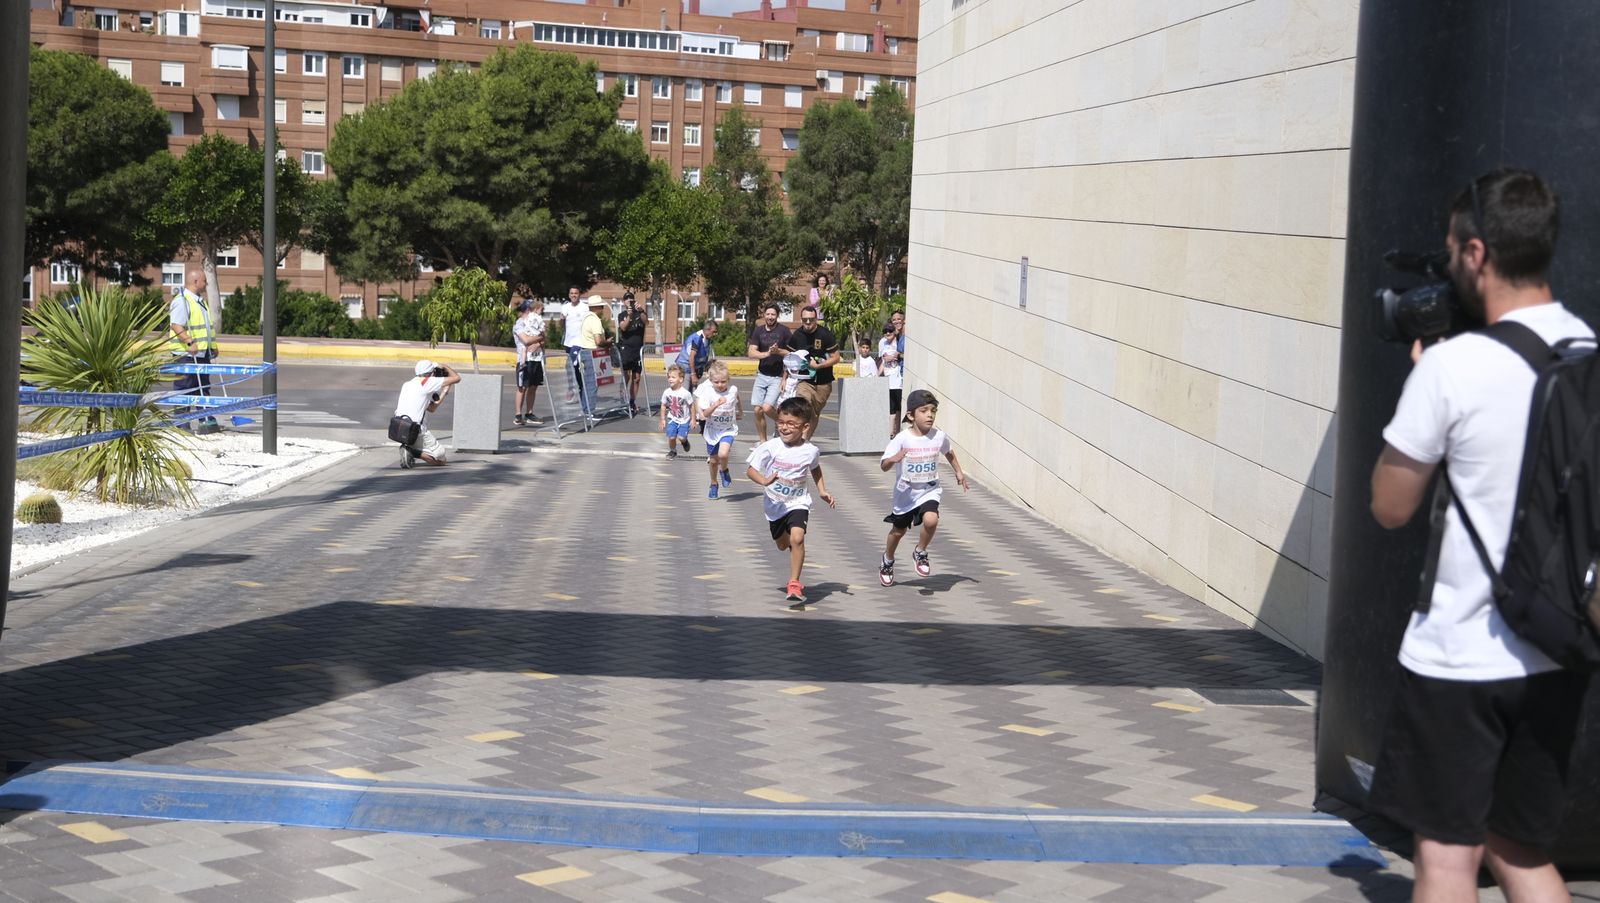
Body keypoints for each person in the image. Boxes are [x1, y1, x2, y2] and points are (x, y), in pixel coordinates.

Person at [1367, 168, 1591, 902]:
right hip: (1557, 646)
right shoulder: (1588, 351)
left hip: (1461, 656)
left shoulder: (1454, 367)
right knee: (1521, 850)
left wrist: (1421, 386)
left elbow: (1390, 506)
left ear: (1475, 253)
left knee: (1447, 858)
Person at [747, 395, 836, 606]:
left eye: (791, 424)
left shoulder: (810, 451)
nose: (784, 428)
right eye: (780, 422)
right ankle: (787, 545)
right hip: (775, 504)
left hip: (798, 502)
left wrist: (822, 491)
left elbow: (815, 469)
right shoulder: (771, 447)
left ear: (804, 427)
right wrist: (765, 480)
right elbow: (750, 470)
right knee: (782, 544)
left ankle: (794, 582)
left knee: (797, 538)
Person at [878, 389, 969, 586]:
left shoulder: (939, 436)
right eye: (924, 410)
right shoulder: (902, 438)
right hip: (906, 494)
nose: (930, 415)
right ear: (911, 415)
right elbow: (884, 465)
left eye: (933, 411)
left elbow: (949, 452)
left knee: (931, 519)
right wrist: (893, 459)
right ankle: (888, 559)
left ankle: (920, 551)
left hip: (929, 489)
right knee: (898, 531)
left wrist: (959, 472)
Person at [169, 268, 221, 434]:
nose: (206, 283)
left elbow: (206, 327)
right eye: (204, 280)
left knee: (202, 387)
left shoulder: (199, 300)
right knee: (185, 387)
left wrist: (212, 346)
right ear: (195, 282)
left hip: (202, 353)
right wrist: (189, 341)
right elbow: (176, 324)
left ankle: (206, 419)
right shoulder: (183, 301)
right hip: (186, 354)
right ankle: (181, 424)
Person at [395, 359, 460, 466]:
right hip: (415, 431)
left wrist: (444, 391)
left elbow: (431, 408)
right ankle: (411, 451)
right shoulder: (426, 382)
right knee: (441, 459)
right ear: (432, 373)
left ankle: (411, 449)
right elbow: (457, 378)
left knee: (428, 451)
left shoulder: (407, 384)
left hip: (400, 429)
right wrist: (444, 366)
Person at [792, 306, 840, 442]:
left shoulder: (825, 334)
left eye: (811, 319)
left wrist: (819, 366)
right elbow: (789, 354)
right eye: (805, 319)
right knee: (802, 406)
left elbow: (836, 357)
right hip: (805, 379)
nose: (807, 322)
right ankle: (798, 439)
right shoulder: (797, 335)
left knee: (814, 414)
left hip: (823, 382)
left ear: (816, 319)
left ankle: (805, 440)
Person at [748, 302, 793, 443]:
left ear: (777, 316)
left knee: (767, 408)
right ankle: (763, 442)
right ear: (764, 315)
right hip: (762, 375)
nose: (770, 317)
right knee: (757, 410)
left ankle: (783, 423)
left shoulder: (784, 331)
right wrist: (767, 353)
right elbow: (751, 352)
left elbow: (791, 353)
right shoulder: (758, 331)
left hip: (777, 376)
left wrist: (778, 351)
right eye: (768, 314)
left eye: (773, 314)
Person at [696, 360, 740, 498]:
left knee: (723, 454)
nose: (720, 385)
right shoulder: (708, 393)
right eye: (716, 382)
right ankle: (714, 483)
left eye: (723, 382)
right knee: (714, 461)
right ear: (711, 381)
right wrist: (715, 405)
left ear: (728, 380)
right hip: (712, 431)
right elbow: (704, 414)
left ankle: (724, 470)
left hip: (728, 429)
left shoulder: (733, 390)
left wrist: (741, 411)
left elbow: (736, 398)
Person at [575, 294, 612, 423]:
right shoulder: (595, 320)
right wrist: (608, 342)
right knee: (592, 384)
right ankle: (590, 410)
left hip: (584, 352)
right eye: (601, 306)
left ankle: (585, 409)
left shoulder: (586, 318)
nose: (602, 309)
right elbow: (598, 341)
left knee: (587, 383)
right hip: (593, 353)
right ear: (597, 307)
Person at [511, 297, 545, 426]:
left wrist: (538, 342)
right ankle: (518, 415)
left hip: (536, 358)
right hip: (524, 360)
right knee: (522, 387)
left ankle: (529, 413)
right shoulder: (519, 323)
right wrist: (539, 339)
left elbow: (543, 338)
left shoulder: (537, 322)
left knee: (533, 386)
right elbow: (525, 340)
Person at [617, 290, 647, 414]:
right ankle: (622, 401)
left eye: (631, 299)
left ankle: (632, 402)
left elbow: (646, 322)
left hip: (638, 351)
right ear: (624, 302)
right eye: (627, 299)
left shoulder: (640, 313)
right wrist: (629, 315)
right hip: (626, 349)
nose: (629, 301)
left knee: (637, 378)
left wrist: (641, 311)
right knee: (626, 376)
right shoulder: (622, 314)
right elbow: (623, 327)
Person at [659, 363, 695, 459]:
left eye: (673, 377)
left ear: (681, 379)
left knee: (681, 437)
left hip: (684, 420)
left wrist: (693, 419)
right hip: (672, 419)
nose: (670, 379)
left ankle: (685, 442)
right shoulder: (666, 392)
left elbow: (692, 406)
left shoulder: (685, 393)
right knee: (671, 437)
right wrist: (662, 419)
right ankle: (673, 451)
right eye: (669, 377)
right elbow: (663, 405)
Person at [879, 310, 905, 438]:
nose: (888, 333)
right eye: (885, 332)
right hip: (890, 379)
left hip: (899, 378)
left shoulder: (901, 338)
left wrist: (898, 356)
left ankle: (898, 430)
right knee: (891, 407)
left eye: (890, 331)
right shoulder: (883, 342)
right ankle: (892, 432)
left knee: (899, 406)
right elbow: (882, 361)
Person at [561, 286, 587, 406]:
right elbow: (562, 324)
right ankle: (572, 388)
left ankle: (580, 390)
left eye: (576, 293)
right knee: (569, 367)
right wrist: (562, 320)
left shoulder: (584, 307)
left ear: (579, 294)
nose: (573, 295)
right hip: (569, 342)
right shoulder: (565, 307)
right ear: (569, 294)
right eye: (571, 293)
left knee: (576, 367)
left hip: (580, 342)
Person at [676, 319, 718, 388]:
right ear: (707, 330)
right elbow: (691, 357)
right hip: (686, 368)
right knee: (686, 393)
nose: (715, 334)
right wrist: (693, 374)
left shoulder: (708, 339)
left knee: (694, 393)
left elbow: (702, 355)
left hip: (694, 368)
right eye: (714, 332)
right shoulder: (697, 338)